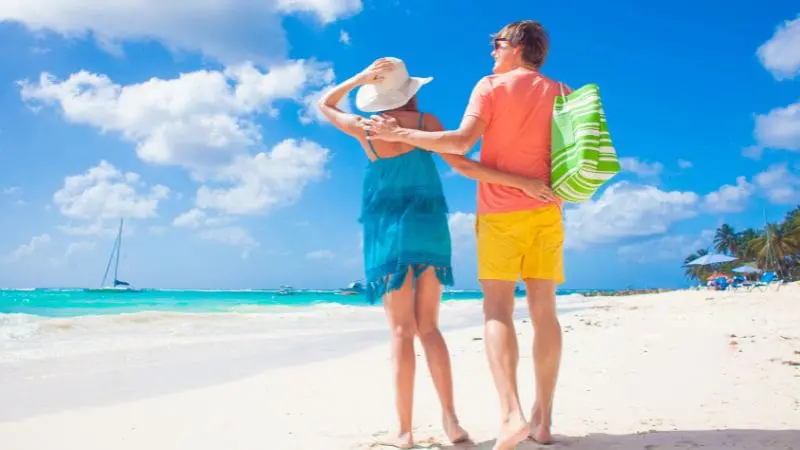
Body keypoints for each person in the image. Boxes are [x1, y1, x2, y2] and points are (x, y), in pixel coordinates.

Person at [317, 56, 546, 449]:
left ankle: (404, 431)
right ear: (410, 91)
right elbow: (464, 165)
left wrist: (356, 79)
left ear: (375, 95)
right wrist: (521, 182)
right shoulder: (426, 125)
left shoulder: (366, 128)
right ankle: (452, 423)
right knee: (430, 328)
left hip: (387, 232)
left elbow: (325, 105)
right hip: (429, 228)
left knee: (400, 331)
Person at [362, 21, 566, 449]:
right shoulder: (562, 92)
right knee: (545, 311)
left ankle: (511, 413)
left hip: (499, 213)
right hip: (547, 209)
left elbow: (459, 143)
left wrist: (400, 134)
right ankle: (542, 422)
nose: (492, 50)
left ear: (515, 47)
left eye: (497, 43)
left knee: (497, 310)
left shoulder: (491, 87)